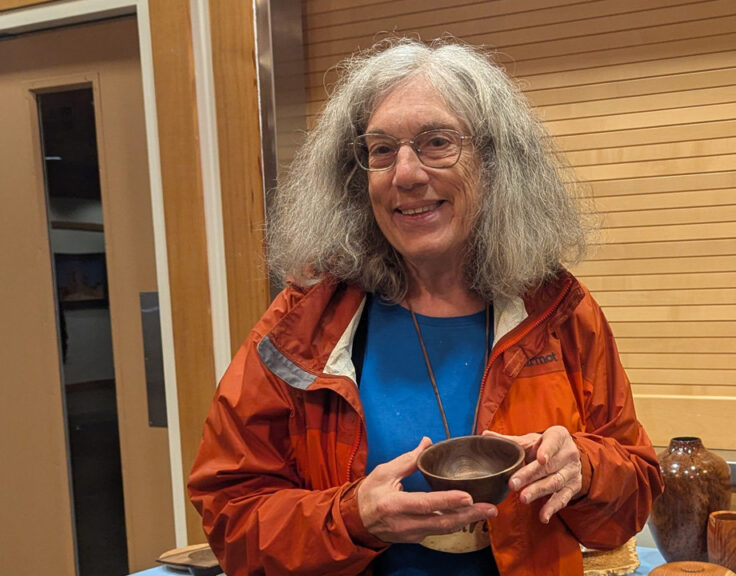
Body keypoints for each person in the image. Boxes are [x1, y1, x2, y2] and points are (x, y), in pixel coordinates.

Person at [188, 37, 663, 576]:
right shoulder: (303, 324)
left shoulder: (559, 311)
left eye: (437, 142)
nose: (406, 174)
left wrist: (587, 470)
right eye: (382, 149)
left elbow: (630, 502)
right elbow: (230, 518)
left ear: (496, 163)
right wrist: (352, 518)